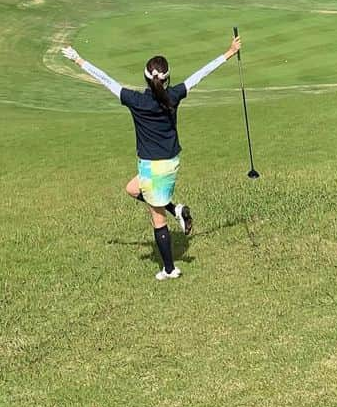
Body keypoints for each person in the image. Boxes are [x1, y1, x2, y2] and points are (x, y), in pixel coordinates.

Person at [61, 33, 241, 280]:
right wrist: (229, 53)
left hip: (152, 166)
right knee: (133, 189)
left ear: (146, 78)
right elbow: (199, 75)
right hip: (170, 162)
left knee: (157, 220)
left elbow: (106, 81)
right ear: (167, 79)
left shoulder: (135, 100)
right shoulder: (174, 96)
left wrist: (79, 60)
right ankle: (176, 209)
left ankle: (169, 269)